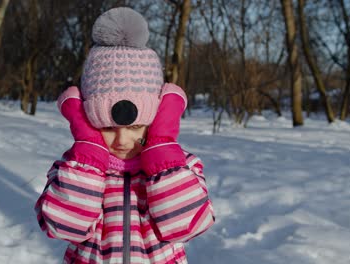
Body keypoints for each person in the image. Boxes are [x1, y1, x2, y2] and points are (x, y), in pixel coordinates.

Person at [35, 7, 215, 264]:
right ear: (87, 121)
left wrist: (162, 152)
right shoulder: (73, 166)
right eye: (108, 128)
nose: (122, 141)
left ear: (155, 118)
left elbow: (187, 225)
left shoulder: (183, 166)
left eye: (134, 127)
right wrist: (88, 158)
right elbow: (63, 226)